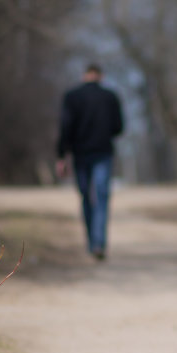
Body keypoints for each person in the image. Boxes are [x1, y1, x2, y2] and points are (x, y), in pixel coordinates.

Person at [56, 64, 124, 260]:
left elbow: (65, 128)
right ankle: (99, 243)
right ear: (101, 76)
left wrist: (62, 155)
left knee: (86, 196)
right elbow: (119, 127)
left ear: (84, 75)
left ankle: (91, 242)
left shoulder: (72, 97)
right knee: (102, 197)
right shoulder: (110, 96)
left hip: (80, 154)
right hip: (103, 152)